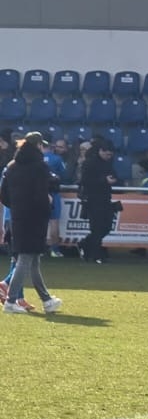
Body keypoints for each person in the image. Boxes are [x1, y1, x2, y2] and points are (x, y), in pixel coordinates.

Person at [0, 133, 62, 314]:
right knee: (26, 258)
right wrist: (47, 205)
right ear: (39, 146)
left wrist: (16, 206)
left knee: (33, 259)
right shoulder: (39, 167)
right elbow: (42, 193)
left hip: (18, 216)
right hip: (35, 218)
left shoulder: (12, 166)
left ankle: (46, 299)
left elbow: (4, 195)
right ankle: (11, 300)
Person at [77, 139, 118, 265]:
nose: (109, 157)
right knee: (97, 227)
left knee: (106, 227)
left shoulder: (108, 163)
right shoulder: (89, 163)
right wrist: (104, 180)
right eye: (107, 154)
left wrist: (114, 179)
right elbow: (85, 181)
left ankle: (85, 244)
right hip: (92, 199)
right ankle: (96, 255)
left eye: (110, 155)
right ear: (101, 151)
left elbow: (114, 174)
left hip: (105, 198)